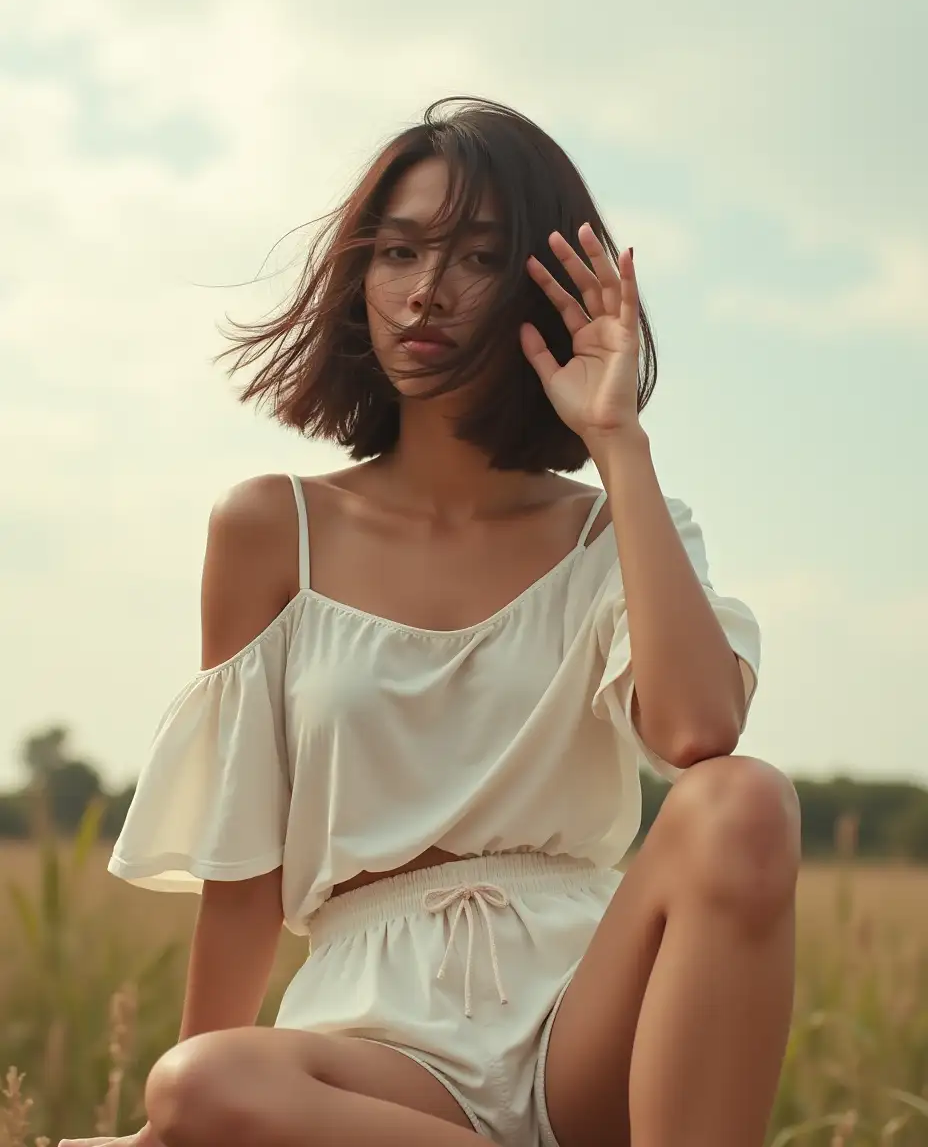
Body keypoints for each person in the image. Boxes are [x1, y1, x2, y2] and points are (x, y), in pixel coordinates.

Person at [62, 96, 800, 1147]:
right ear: (358, 279)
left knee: (745, 799)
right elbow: (241, 867)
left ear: (543, 286)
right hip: (380, 1063)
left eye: (476, 258)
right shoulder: (276, 528)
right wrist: (171, 1134)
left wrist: (618, 444)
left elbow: (695, 734)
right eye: (398, 252)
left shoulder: (618, 530)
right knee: (193, 1084)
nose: (425, 292)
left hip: (585, 1023)